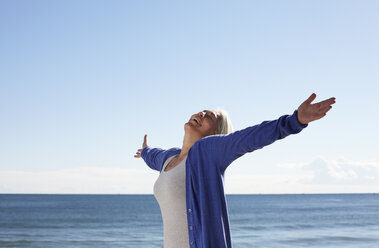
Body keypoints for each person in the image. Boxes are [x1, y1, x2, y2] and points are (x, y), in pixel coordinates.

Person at [134, 93, 336, 248]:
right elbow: (154, 156)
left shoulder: (208, 151)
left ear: (216, 133)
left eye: (209, 117)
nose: (201, 114)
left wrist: (294, 121)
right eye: (202, 111)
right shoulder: (169, 158)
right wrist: (144, 151)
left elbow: (250, 137)